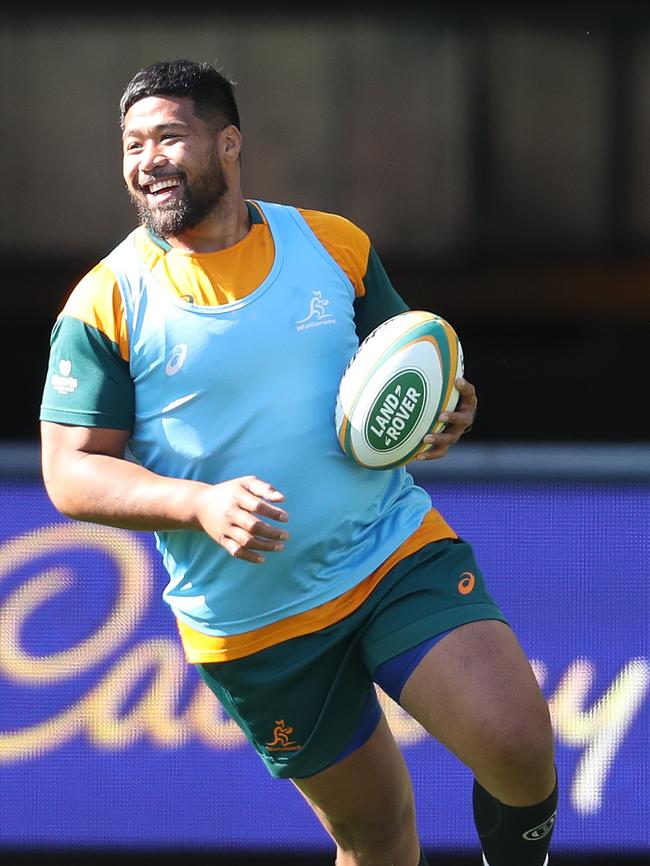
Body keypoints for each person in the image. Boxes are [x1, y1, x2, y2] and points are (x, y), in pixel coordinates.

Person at [39, 59, 557, 866]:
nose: (147, 159)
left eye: (169, 136)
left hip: (389, 552)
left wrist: (450, 408)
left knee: (519, 744)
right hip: (254, 624)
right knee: (378, 835)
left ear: (230, 143)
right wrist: (198, 504)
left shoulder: (332, 244)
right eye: (133, 143)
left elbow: (417, 365)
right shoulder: (104, 301)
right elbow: (70, 472)